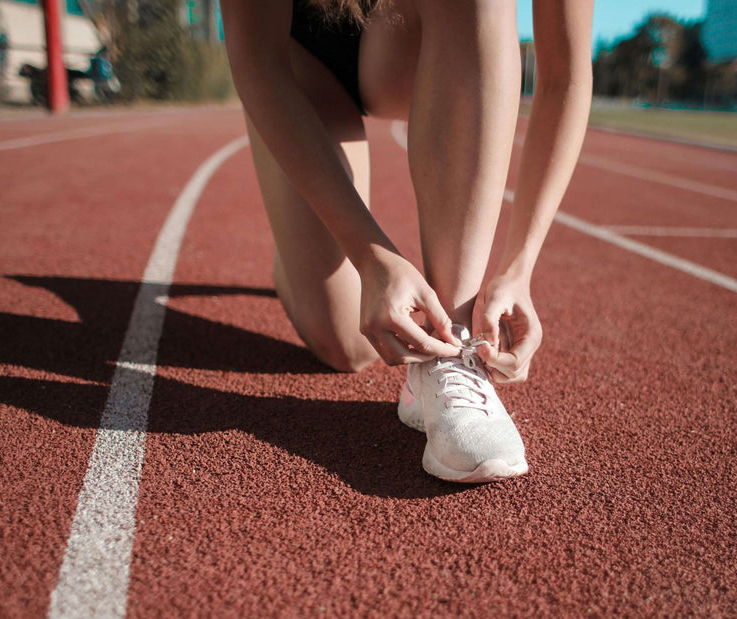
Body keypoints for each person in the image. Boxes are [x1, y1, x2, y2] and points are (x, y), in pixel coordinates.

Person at [220, 0, 593, 482]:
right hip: (299, 54)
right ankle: (293, 258)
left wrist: (520, 267)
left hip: (406, 40)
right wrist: (370, 255)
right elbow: (256, 60)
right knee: (346, 346)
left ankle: (452, 345)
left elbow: (565, 76)